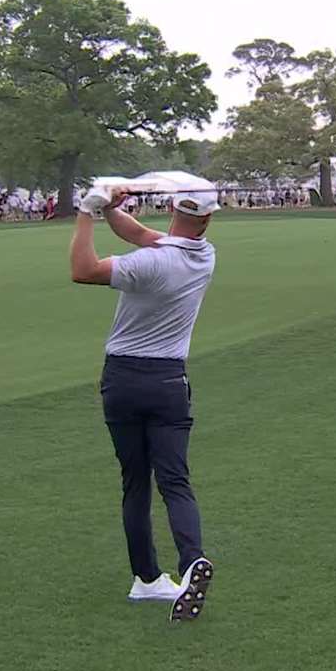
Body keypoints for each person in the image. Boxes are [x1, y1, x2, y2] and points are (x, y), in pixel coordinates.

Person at [68, 182, 220, 621]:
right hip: (169, 381)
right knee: (174, 479)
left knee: (135, 481)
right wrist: (113, 209)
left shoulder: (148, 264)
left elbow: (83, 269)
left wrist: (86, 212)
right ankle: (192, 561)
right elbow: (140, 234)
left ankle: (147, 579)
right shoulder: (204, 256)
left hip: (123, 380)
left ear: (171, 207)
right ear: (206, 220)